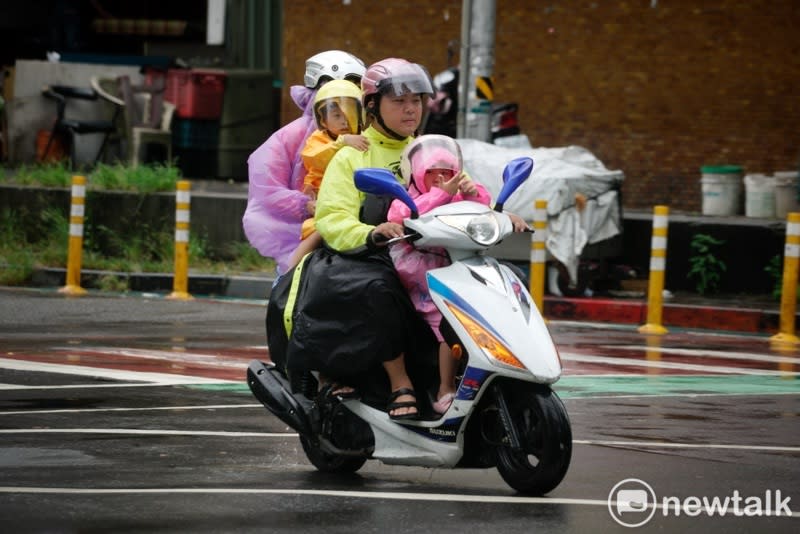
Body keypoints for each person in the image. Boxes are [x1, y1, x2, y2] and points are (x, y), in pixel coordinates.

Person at [280, 58, 437, 420]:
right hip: (367, 254)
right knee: (379, 288)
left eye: (416, 100)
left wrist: (496, 211)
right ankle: (401, 383)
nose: (411, 108)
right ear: (372, 106)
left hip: (429, 252)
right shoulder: (353, 154)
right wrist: (372, 232)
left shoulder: (428, 149)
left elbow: (462, 190)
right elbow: (332, 217)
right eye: (399, 101)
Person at [387, 135, 491, 414]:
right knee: (446, 318)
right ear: (418, 174)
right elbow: (403, 216)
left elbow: (483, 208)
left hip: (457, 268)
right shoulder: (407, 198)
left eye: (447, 173)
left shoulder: (456, 195)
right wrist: (442, 194)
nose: (440, 179)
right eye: (432, 173)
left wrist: (471, 193)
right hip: (420, 273)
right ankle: (445, 388)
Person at [242, 50, 366, 276]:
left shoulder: (365, 133)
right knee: (293, 282)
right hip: (307, 228)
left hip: (356, 228)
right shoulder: (291, 137)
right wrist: (306, 205)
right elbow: (266, 189)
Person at [287, 79, 368, 268]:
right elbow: (313, 157)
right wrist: (341, 142)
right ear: (323, 120)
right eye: (336, 115)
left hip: (353, 200)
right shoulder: (319, 139)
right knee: (317, 232)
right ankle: (288, 274)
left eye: (350, 113)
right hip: (323, 200)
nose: (344, 120)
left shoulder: (364, 137)